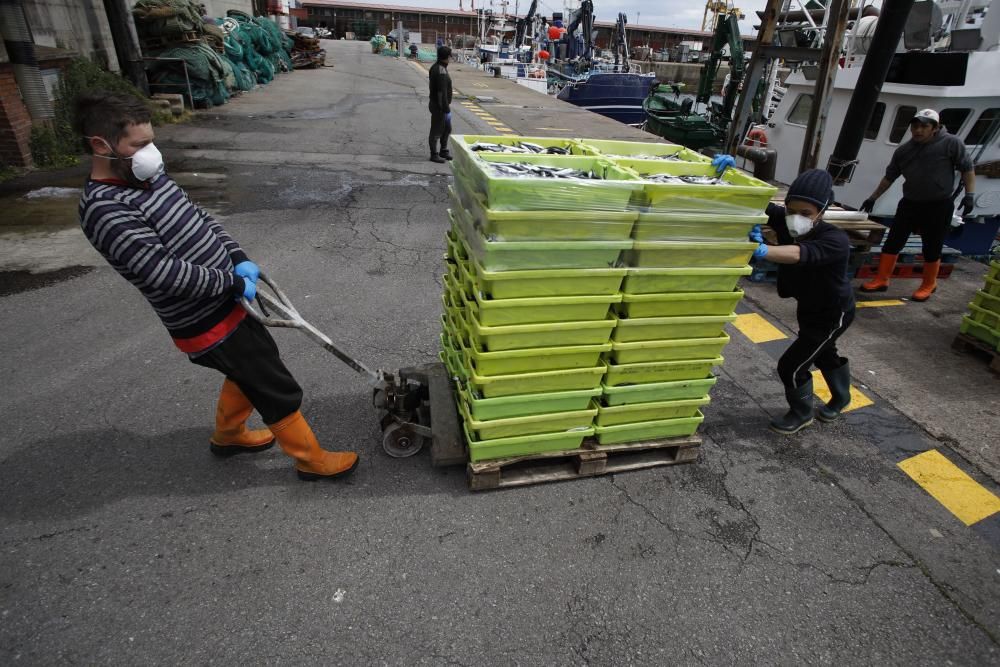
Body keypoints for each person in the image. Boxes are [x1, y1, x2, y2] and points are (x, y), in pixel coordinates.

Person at [74, 91, 359, 481]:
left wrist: (237, 256)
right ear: (100, 145)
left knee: (250, 367)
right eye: (139, 145)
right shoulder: (106, 209)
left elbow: (199, 218)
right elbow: (163, 274)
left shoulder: (150, 177)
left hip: (228, 301)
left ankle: (228, 435)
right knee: (271, 382)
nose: (151, 153)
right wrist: (229, 281)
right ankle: (310, 459)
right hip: (203, 319)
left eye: (151, 141)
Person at [751, 169, 857, 435]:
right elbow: (753, 202)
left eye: (806, 214)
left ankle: (801, 413)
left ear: (821, 211)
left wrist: (764, 250)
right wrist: (727, 175)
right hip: (809, 307)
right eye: (790, 211)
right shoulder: (786, 221)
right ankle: (842, 397)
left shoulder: (835, 240)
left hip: (833, 312)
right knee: (823, 352)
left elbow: (800, 254)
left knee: (791, 365)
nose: (795, 219)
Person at [859, 108, 976, 301]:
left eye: (924, 126)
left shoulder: (951, 143)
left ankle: (929, 284)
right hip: (910, 203)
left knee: (932, 246)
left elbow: (967, 168)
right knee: (893, 242)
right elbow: (890, 177)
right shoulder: (904, 151)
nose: (918, 130)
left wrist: (970, 194)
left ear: (935, 128)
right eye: (915, 126)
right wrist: (873, 197)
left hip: (939, 205)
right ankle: (881, 279)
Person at [428, 45, 453, 164]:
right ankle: (434, 154)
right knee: (437, 130)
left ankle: (443, 150)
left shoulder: (435, 67)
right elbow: (441, 92)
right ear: (447, 57)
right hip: (439, 106)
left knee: (446, 128)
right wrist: (445, 108)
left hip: (438, 104)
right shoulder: (441, 71)